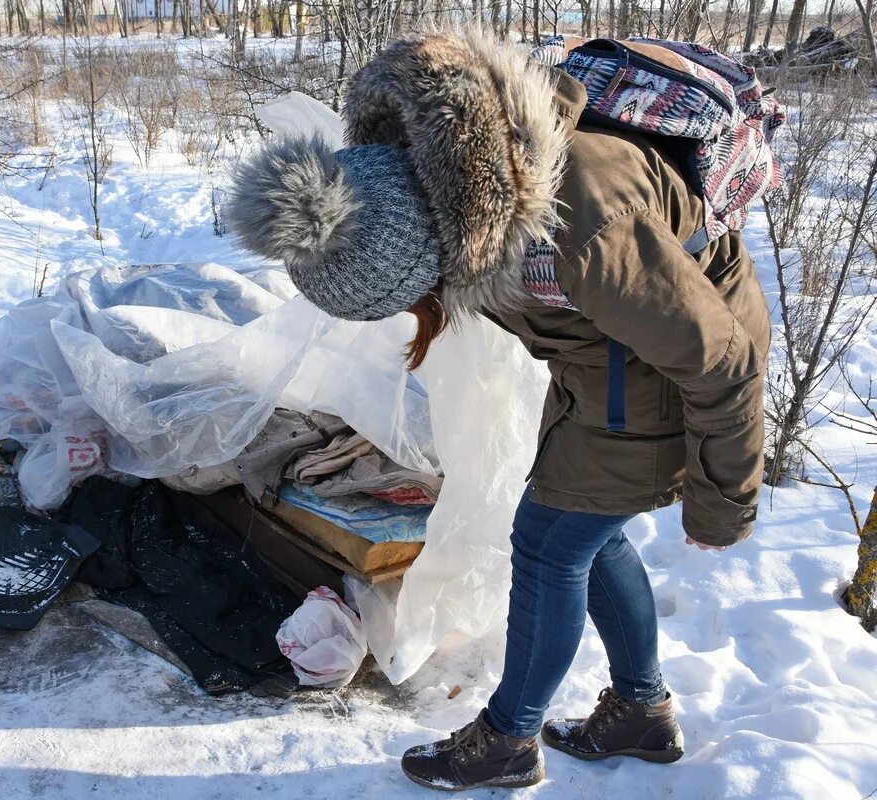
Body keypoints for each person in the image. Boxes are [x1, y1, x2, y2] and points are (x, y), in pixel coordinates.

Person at [227, 28, 769, 791]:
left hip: (658, 372)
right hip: (605, 362)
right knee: (588, 534)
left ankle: (508, 742)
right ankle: (642, 713)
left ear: (433, 253)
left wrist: (723, 506)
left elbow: (722, 360)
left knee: (549, 545)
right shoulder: (456, 180)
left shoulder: (580, 229)